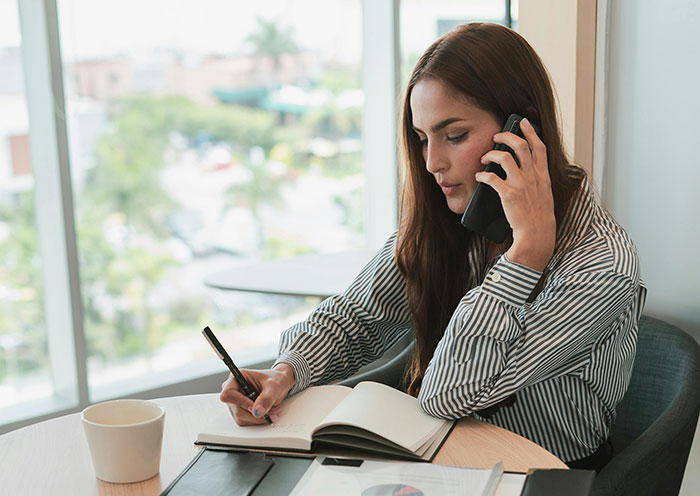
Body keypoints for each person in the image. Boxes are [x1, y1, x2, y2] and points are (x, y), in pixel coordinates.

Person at [219, 22, 646, 471]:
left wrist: (526, 255)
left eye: (454, 136)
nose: (431, 164)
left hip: (541, 476)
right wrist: (284, 372)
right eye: (423, 138)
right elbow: (357, 317)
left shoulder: (601, 265)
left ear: (523, 131)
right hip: (439, 460)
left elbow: (448, 392)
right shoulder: (451, 215)